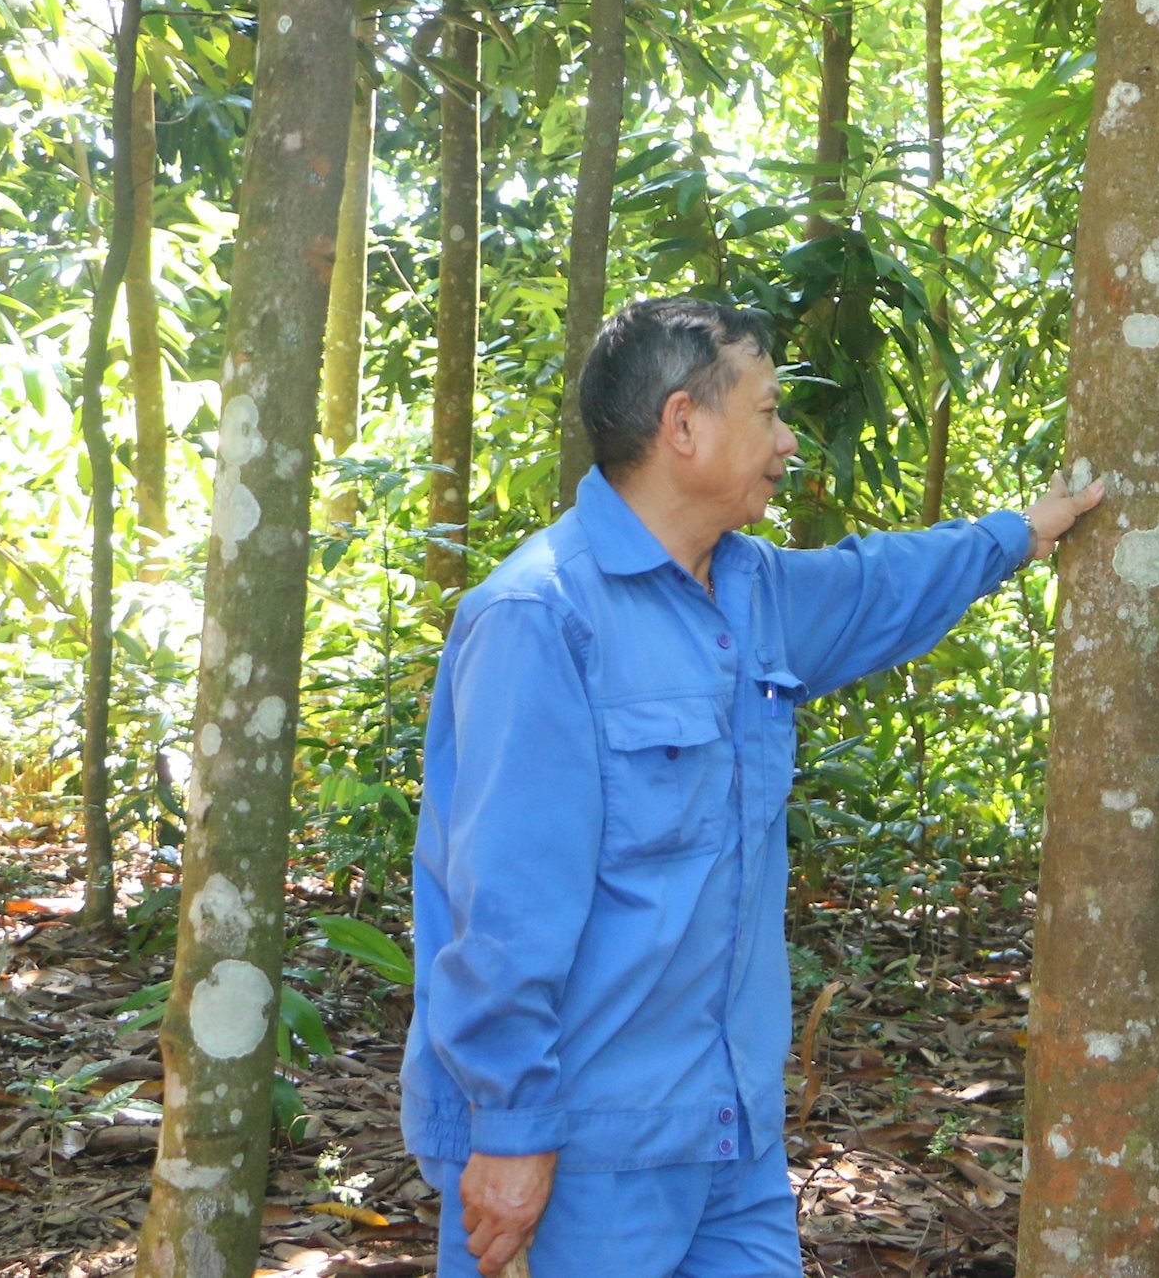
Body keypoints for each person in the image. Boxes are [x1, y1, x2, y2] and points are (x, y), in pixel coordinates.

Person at [400, 297, 1104, 1278]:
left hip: (731, 1135)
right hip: (582, 1153)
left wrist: (1023, 531)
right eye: (767, 412)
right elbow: (504, 910)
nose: (787, 441)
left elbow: (879, 583)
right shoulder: (538, 616)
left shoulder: (753, 590)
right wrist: (513, 1128)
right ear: (682, 425)